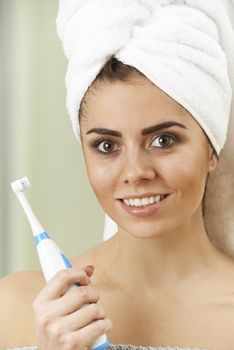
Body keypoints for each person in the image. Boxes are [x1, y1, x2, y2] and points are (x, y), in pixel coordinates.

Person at [1, 1, 234, 350]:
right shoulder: (19, 306)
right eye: (107, 146)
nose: (135, 173)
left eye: (163, 140)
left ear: (211, 149)